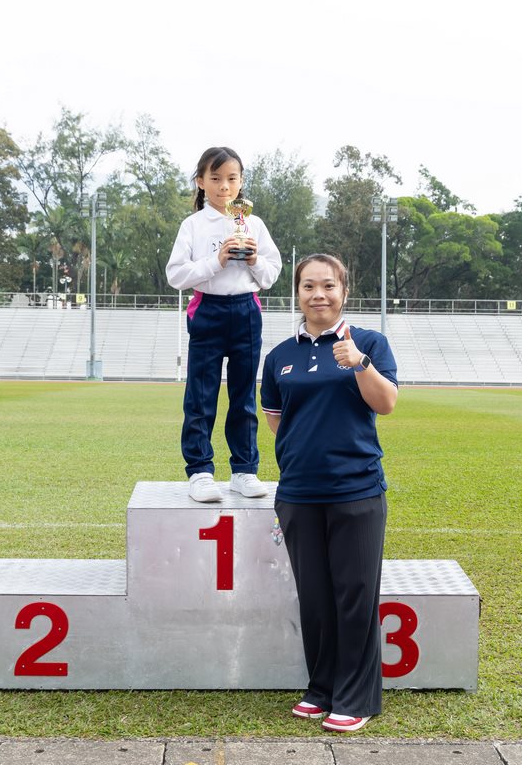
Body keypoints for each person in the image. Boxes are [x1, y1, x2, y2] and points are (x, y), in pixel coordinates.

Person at [259, 253, 398, 733]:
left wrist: (359, 364)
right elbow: (276, 420)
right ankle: (321, 689)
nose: (318, 294)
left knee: (354, 595)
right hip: (298, 493)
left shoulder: (370, 343)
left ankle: (356, 697)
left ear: (344, 291)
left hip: (357, 489)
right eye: (308, 286)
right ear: (297, 293)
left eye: (328, 285)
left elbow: (387, 403)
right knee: (315, 597)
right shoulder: (279, 356)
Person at [166, 146, 282, 503]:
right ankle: (200, 471)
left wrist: (253, 259)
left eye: (232, 178)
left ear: (241, 181)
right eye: (215, 178)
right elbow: (175, 275)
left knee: (244, 396)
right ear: (201, 182)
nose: (224, 186)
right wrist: (216, 261)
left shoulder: (253, 224)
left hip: (246, 310)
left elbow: (271, 274)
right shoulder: (193, 225)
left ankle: (244, 470)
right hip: (208, 310)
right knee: (200, 396)